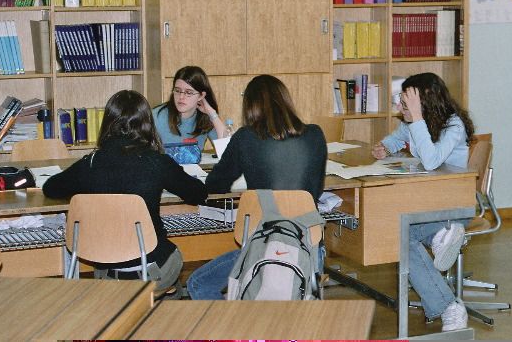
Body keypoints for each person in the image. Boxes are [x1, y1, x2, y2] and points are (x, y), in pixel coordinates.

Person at [43, 90, 208, 293]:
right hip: (152, 270)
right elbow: (198, 193)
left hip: (107, 272)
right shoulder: (157, 162)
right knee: (174, 258)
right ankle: (165, 302)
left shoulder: (91, 163)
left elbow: (50, 188)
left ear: (107, 122)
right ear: (147, 123)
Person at [186, 74, 328, 300]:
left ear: (250, 106)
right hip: (309, 251)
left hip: (262, 249)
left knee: (198, 283)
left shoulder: (245, 137)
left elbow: (215, 185)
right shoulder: (316, 134)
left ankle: (236, 323)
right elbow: (315, 191)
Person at [372, 72, 475, 332]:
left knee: (402, 238)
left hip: (455, 205)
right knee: (400, 236)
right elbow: (398, 137)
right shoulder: (415, 122)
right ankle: (441, 237)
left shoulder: (453, 126)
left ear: (424, 104)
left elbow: (431, 160)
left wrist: (416, 118)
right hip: (428, 204)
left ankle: (447, 306)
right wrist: (386, 146)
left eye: (405, 104)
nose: (400, 108)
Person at [152, 66, 227, 149]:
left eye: (188, 92)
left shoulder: (205, 117)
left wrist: (212, 114)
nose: (181, 97)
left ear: (201, 96)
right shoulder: (155, 117)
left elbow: (228, 150)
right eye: (177, 90)